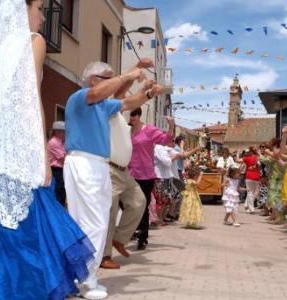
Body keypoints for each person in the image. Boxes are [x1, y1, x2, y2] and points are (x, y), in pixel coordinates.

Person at [0, 1, 95, 298]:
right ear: (21, 8)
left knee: (8, 249)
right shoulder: (33, 41)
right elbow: (29, 104)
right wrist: (44, 162)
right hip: (20, 162)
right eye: (41, 8)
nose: (44, 17)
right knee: (35, 252)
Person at [64, 57, 163, 297]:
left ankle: (84, 276)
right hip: (84, 163)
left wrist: (148, 94)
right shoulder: (80, 97)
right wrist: (129, 75)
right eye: (109, 78)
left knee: (94, 222)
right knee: (94, 223)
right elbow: (104, 91)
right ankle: (85, 279)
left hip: (96, 165)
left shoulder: (101, 106)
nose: (115, 82)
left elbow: (129, 101)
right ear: (95, 80)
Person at [101, 59, 155, 270]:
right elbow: (123, 93)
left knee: (139, 202)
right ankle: (105, 256)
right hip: (111, 168)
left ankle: (118, 238)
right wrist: (137, 67)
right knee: (111, 212)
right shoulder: (105, 108)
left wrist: (144, 88)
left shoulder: (119, 115)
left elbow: (129, 97)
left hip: (125, 172)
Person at [128, 107, 174, 250]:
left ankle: (142, 236)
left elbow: (166, 139)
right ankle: (132, 229)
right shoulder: (126, 131)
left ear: (139, 115)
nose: (132, 117)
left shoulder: (148, 130)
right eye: (130, 114)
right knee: (127, 204)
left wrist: (171, 126)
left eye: (134, 114)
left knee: (143, 205)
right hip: (129, 173)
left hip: (146, 175)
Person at [48, 121, 67, 206]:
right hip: (56, 170)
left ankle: (60, 206)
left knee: (61, 189)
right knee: (59, 190)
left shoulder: (61, 142)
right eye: (64, 132)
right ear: (58, 132)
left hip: (60, 169)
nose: (66, 134)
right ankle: (59, 207)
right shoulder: (54, 142)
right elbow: (64, 158)